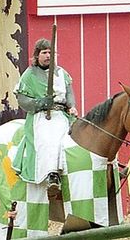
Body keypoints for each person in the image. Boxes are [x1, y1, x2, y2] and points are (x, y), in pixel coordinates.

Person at [12, 38, 78, 196]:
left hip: (62, 115)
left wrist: (72, 106)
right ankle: (52, 175)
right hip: (42, 118)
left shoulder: (62, 73)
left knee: (79, 137)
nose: (48, 55)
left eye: (51, 52)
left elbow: (69, 92)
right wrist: (41, 103)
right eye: (44, 52)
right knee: (49, 140)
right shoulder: (29, 75)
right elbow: (23, 100)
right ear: (37, 55)